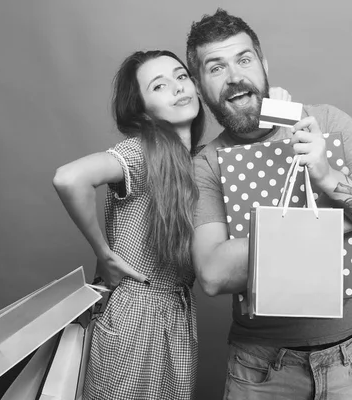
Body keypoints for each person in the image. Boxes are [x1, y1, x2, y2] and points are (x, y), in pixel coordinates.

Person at [186, 9, 352, 400]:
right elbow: (212, 274)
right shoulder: (206, 162)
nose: (234, 76)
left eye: (244, 59)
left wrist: (327, 176)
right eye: (215, 67)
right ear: (199, 85)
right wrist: (331, 224)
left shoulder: (328, 123)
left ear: (263, 65)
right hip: (259, 369)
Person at [52, 50, 204, 400]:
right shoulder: (142, 151)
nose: (178, 88)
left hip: (177, 315)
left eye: (182, 77)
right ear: (142, 108)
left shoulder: (199, 160)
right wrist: (102, 253)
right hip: (135, 312)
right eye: (160, 86)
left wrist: (275, 109)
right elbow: (69, 178)